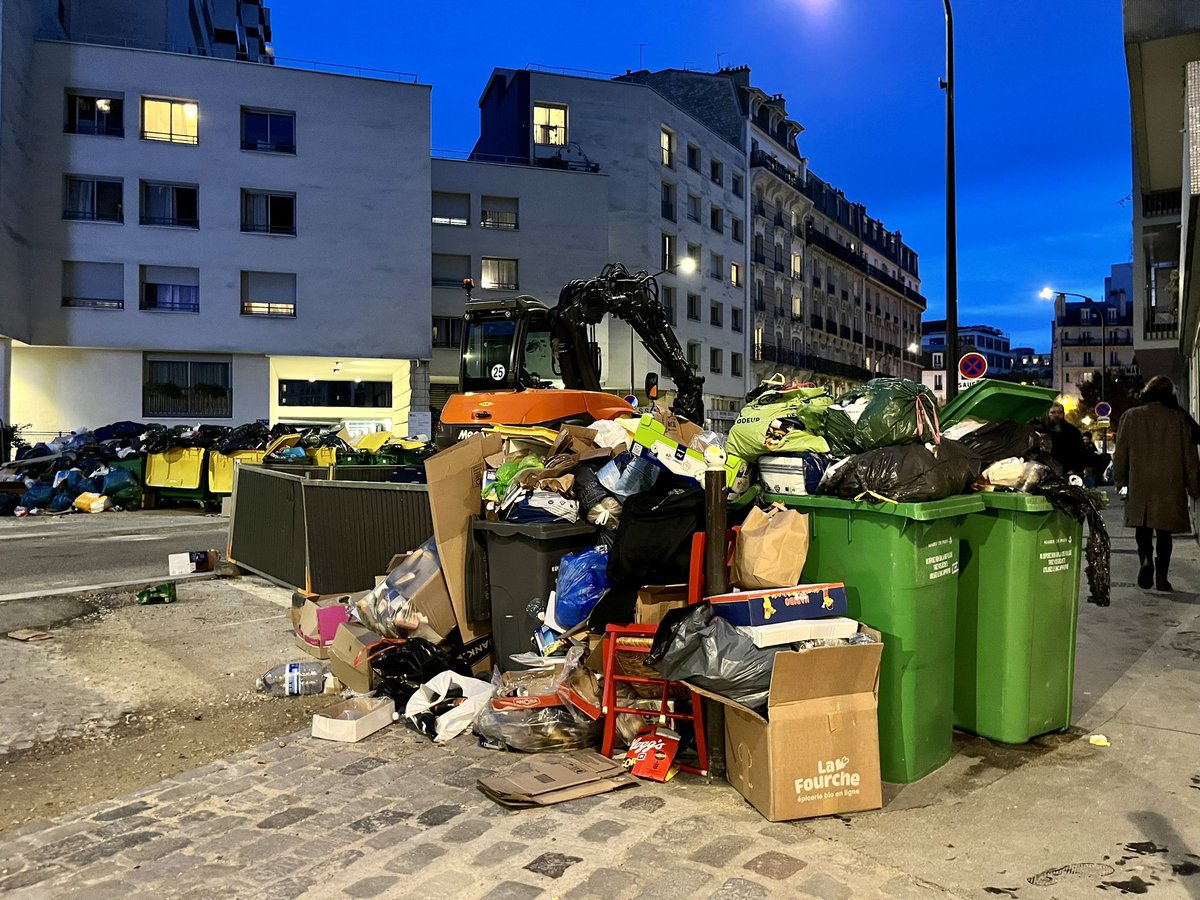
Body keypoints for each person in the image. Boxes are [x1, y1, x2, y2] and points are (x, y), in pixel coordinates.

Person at [1114, 376, 1200, 591]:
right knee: (1164, 532)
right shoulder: (1179, 419)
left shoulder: (1130, 417)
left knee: (1142, 528)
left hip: (1139, 482)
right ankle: (1162, 578)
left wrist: (1120, 482)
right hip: (1170, 484)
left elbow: (1120, 454)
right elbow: (1190, 457)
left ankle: (1145, 561)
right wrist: (1194, 487)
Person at [1039, 402, 1090, 477]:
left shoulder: (1072, 431)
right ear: (1048, 414)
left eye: (1060, 412)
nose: (1056, 415)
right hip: (1045, 472)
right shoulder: (1042, 430)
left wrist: (1075, 469)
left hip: (1068, 473)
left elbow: (1081, 453)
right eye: (1053, 412)